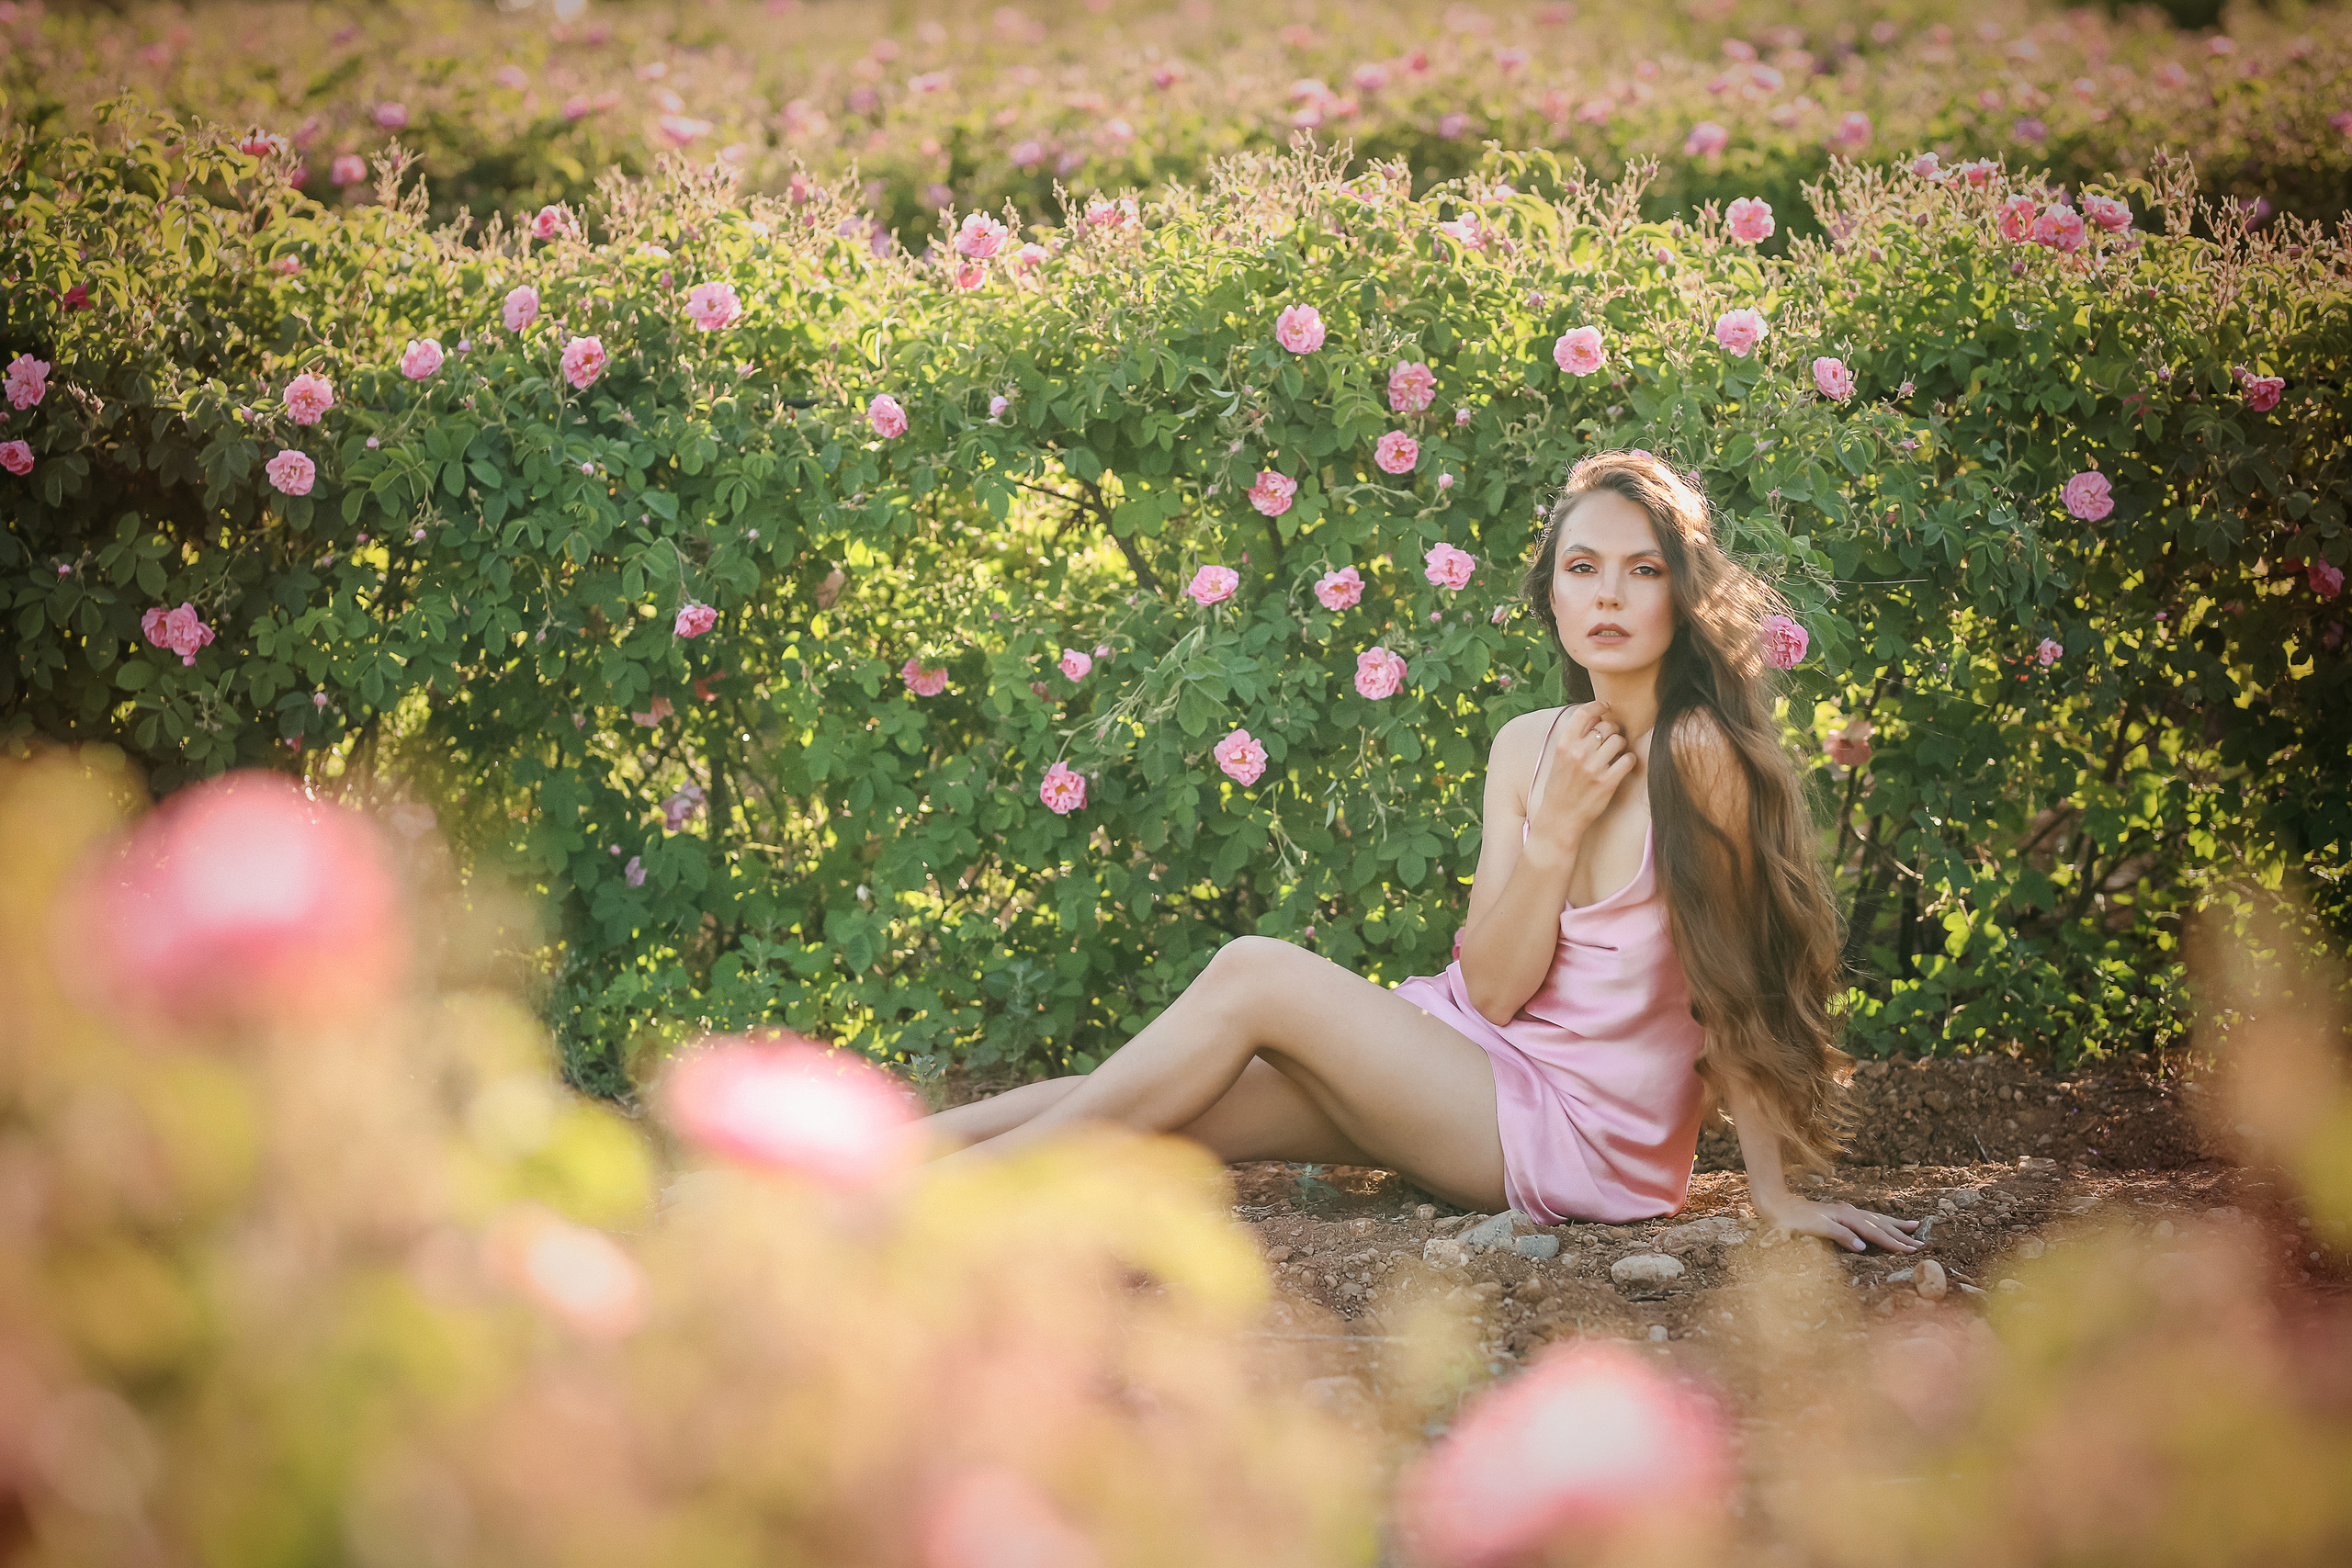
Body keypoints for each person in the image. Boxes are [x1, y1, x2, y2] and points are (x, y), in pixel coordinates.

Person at [922, 449, 1921, 1255]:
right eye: (1583, 569)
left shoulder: (1698, 756)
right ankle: (852, 1168)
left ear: (1680, 595)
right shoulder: (1526, 745)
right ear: (1552, 595)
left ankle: (936, 1208)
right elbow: (1489, 988)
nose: (1608, 596)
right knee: (1169, 1108)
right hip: (1472, 1059)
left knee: (1254, 971)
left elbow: (1735, 978)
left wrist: (1771, 1195)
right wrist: (1553, 827)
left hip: (1578, 1136)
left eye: (1642, 569)